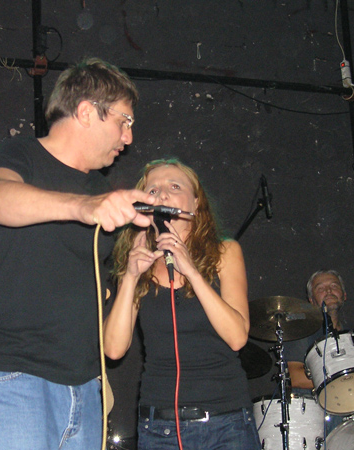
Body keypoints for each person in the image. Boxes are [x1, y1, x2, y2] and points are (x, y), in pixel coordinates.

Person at [0, 57, 155, 450]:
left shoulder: (100, 189)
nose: (128, 137)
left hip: (85, 386)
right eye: (124, 121)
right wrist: (83, 208)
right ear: (86, 112)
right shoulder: (20, 153)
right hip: (18, 376)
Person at [104, 158, 260, 450]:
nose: (162, 194)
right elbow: (113, 349)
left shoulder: (225, 252)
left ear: (196, 203)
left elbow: (237, 337)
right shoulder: (137, 260)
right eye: (152, 190)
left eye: (174, 186)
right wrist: (130, 277)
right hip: (159, 427)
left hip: (226, 423)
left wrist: (192, 272)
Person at [283, 269, 348, 435]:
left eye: (334, 286)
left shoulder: (353, 337)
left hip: (350, 405)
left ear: (344, 295)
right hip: (314, 409)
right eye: (321, 288)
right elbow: (295, 377)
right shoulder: (302, 330)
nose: (328, 291)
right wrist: (341, 381)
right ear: (311, 301)